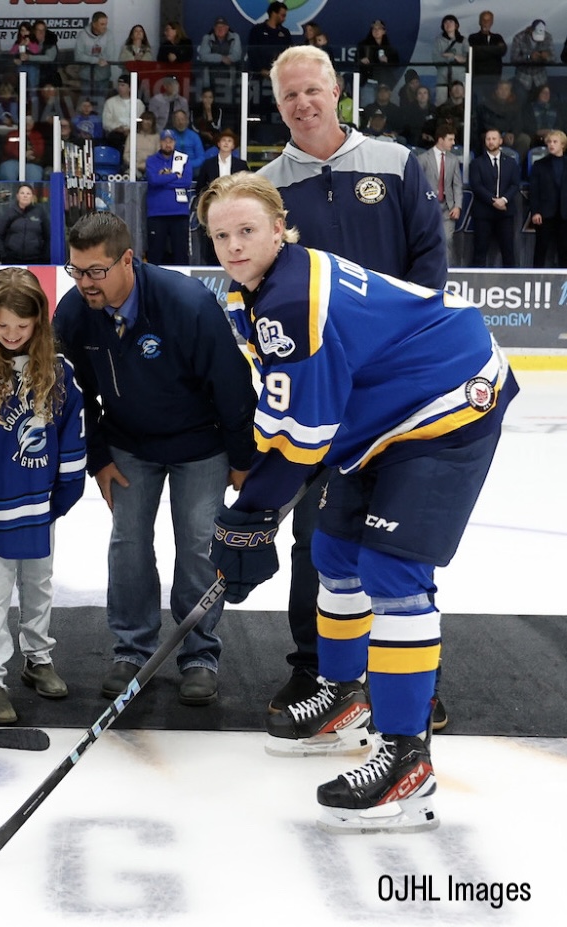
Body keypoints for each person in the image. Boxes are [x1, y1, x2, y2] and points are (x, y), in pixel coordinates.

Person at [198, 171, 516, 834]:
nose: (233, 244)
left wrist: (250, 513)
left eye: (246, 230)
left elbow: (304, 438)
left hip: (448, 402)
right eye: (221, 234)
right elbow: (289, 418)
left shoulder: (288, 297)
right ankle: (342, 693)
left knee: (393, 573)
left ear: (278, 227)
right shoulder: (252, 293)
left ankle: (406, 756)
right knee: (334, 550)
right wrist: (255, 503)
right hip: (380, 419)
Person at [257, 44, 449, 723]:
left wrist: (405, 346)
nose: (303, 104)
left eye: (312, 90)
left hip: (397, 388)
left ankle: (409, 677)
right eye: (289, 96)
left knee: (397, 538)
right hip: (322, 390)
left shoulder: (395, 163)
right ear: (275, 105)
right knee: (317, 538)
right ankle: (318, 670)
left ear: (336, 89)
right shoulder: (265, 188)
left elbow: (428, 254)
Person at [52, 212, 255, 706]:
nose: (84, 283)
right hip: (128, 447)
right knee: (128, 546)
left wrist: (243, 458)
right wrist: (97, 456)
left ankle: (199, 655)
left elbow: (231, 385)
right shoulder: (75, 312)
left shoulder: (186, 304)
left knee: (199, 548)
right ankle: (132, 650)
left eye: (95, 271)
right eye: (75, 270)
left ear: (128, 259)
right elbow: (71, 396)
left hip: (201, 445)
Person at [0, 268, 86, 724]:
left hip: (39, 508)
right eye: (2, 325)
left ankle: (38, 658)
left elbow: (71, 435)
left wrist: (64, 493)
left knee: (39, 586)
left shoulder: (59, 372)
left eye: (22, 327)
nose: (11, 335)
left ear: (39, 324)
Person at [469, 128, 521, 267]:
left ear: (500, 141)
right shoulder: (477, 163)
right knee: (480, 251)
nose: (491, 142)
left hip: (505, 212)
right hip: (483, 213)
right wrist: (494, 201)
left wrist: (504, 200)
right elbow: (477, 186)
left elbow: (515, 184)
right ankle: (476, 284)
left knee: (508, 251)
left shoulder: (510, 162)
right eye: (488, 139)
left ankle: (511, 284)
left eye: (494, 139)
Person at [145, 129, 195, 265]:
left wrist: (164, 177)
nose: (168, 144)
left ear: (174, 143)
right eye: (165, 141)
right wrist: (174, 175)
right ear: (160, 142)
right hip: (157, 215)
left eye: (170, 141)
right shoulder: (151, 160)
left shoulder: (183, 159)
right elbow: (153, 180)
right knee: (155, 253)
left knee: (181, 254)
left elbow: (186, 182)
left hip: (179, 214)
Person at [419, 124, 464, 266]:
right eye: (450, 139)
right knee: (427, 241)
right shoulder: (423, 158)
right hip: (428, 208)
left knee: (447, 240)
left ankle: (448, 272)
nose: (453, 143)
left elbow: (457, 184)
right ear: (440, 139)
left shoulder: (453, 160)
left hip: (447, 208)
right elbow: (417, 185)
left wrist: (458, 206)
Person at [529, 129, 567, 267]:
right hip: (545, 214)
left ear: (562, 144)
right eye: (549, 142)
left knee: (564, 250)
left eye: (555, 142)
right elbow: (534, 191)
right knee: (541, 250)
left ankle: (565, 283)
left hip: (564, 214)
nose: (551, 145)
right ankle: (536, 281)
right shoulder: (539, 165)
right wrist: (535, 211)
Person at [0, 183, 49, 265]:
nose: (25, 196)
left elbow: (48, 237)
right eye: (22, 193)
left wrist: (44, 257)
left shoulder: (40, 212)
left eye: (28, 193)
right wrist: (3, 256)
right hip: (11, 260)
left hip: (35, 260)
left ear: (32, 197)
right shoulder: (9, 213)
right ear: (17, 196)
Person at [197, 17, 242, 101]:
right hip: (210, 79)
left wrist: (213, 58)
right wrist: (221, 58)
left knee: (229, 104)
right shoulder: (207, 38)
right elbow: (203, 56)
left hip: (229, 78)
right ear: (214, 28)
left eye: (223, 27)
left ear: (227, 28)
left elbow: (236, 55)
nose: (220, 29)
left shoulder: (235, 37)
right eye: (218, 27)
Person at [356, 20, 401, 104]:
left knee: (384, 110)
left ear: (384, 31)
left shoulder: (389, 48)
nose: (376, 31)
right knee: (368, 109)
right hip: (369, 83)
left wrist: (388, 61)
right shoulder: (363, 46)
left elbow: (397, 64)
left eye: (379, 29)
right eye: (374, 29)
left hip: (385, 85)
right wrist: (361, 61)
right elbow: (356, 61)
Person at [511, 20, 555, 100]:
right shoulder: (519, 38)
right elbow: (514, 59)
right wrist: (529, 57)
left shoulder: (548, 37)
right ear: (531, 30)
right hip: (522, 79)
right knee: (521, 103)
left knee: (541, 105)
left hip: (540, 78)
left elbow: (554, 58)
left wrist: (546, 57)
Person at [102, 75, 144, 154]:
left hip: (134, 134)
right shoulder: (110, 102)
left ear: (130, 88)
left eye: (123, 85)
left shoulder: (138, 103)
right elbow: (106, 122)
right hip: (116, 135)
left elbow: (140, 121)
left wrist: (130, 129)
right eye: (118, 85)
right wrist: (117, 128)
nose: (120, 88)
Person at [433, 15, 467, 106]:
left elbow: (467, 59)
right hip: (442, 79)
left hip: (459, 78)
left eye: (451, 22)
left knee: (461, 104)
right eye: (445, 22)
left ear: (456, 25)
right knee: (441, 105)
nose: (448, 24)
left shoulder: (463, 40)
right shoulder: (438, 41)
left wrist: (450, 56)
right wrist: (455, 57)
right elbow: (436, 60)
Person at [468, 10, 507, 81]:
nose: (486, 22)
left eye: (488, 20)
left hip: (495, 76)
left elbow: (503, 51)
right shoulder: (473, 37)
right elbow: (476, 53)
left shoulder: (497, 37)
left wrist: (482, 49)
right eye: (483, 20)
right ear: (479, 22)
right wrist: (495, 50)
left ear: (492, 22)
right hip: (478, 77)